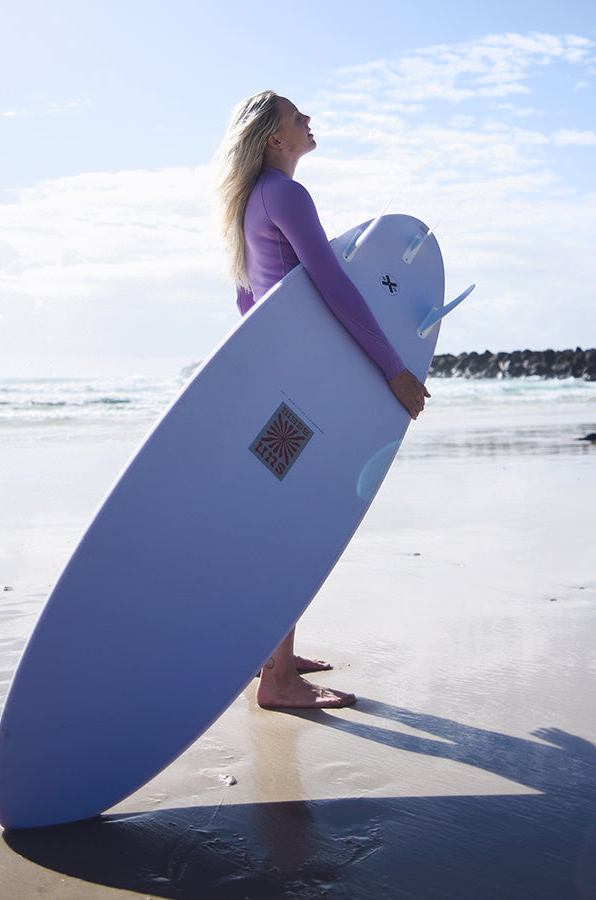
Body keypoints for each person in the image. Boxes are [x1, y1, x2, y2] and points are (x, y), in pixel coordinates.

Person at [216, 90, 430, 710]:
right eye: (295, 114)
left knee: (286, 509)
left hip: (279, 387)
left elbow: (244, 301)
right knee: (297, 518)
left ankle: (274, 652)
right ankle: (279, 680)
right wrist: (393, 369)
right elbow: (332, 285)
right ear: (274, 139)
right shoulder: (286, 194)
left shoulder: (250, 200)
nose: (308, 119)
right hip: (304, 392)